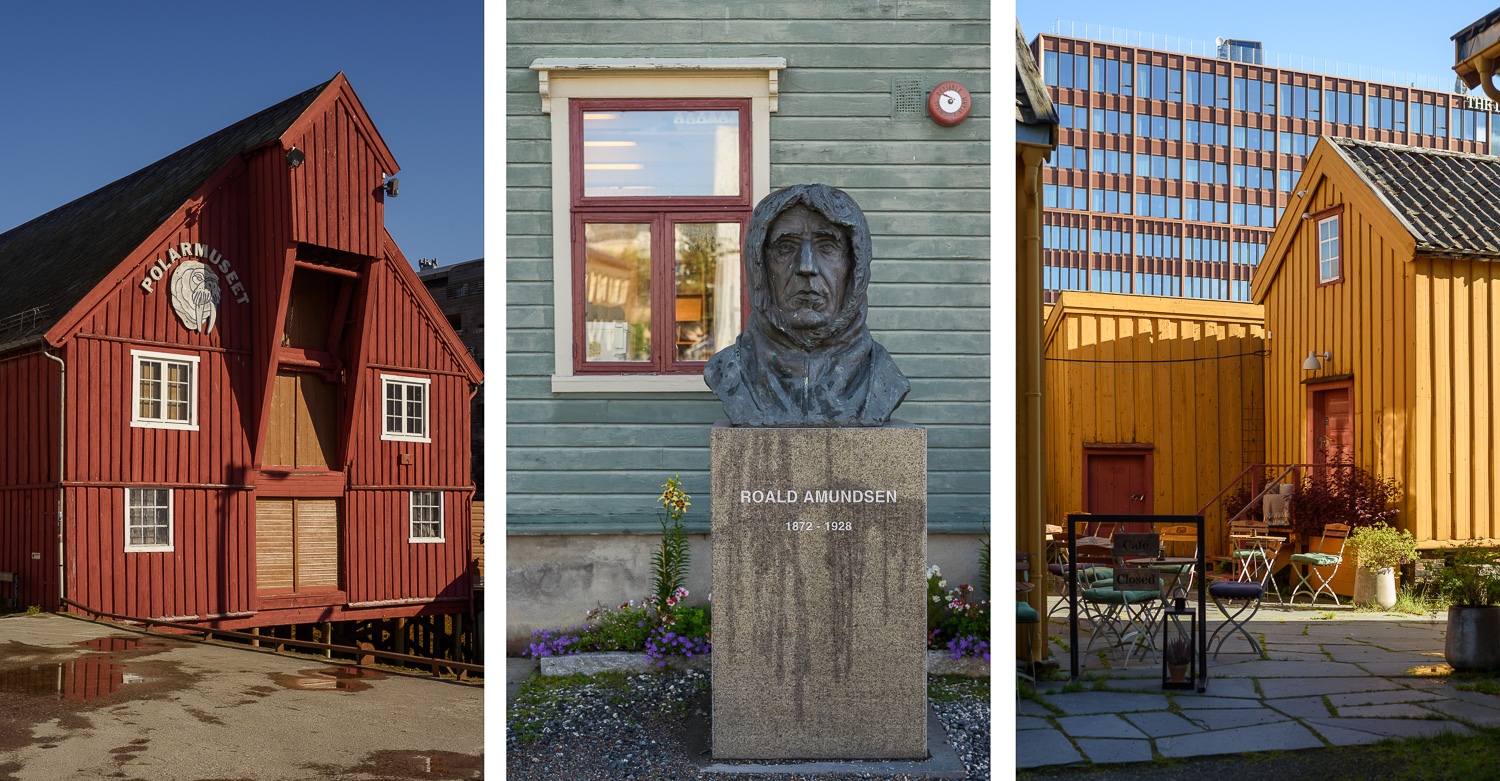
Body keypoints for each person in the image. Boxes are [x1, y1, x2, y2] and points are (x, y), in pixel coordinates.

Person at [705, 184, 908, 426]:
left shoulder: (884, 380)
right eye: (786, 248)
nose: (806, 266)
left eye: (827, 247)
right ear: (760, 266)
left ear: (855, 267)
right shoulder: (729, 371)